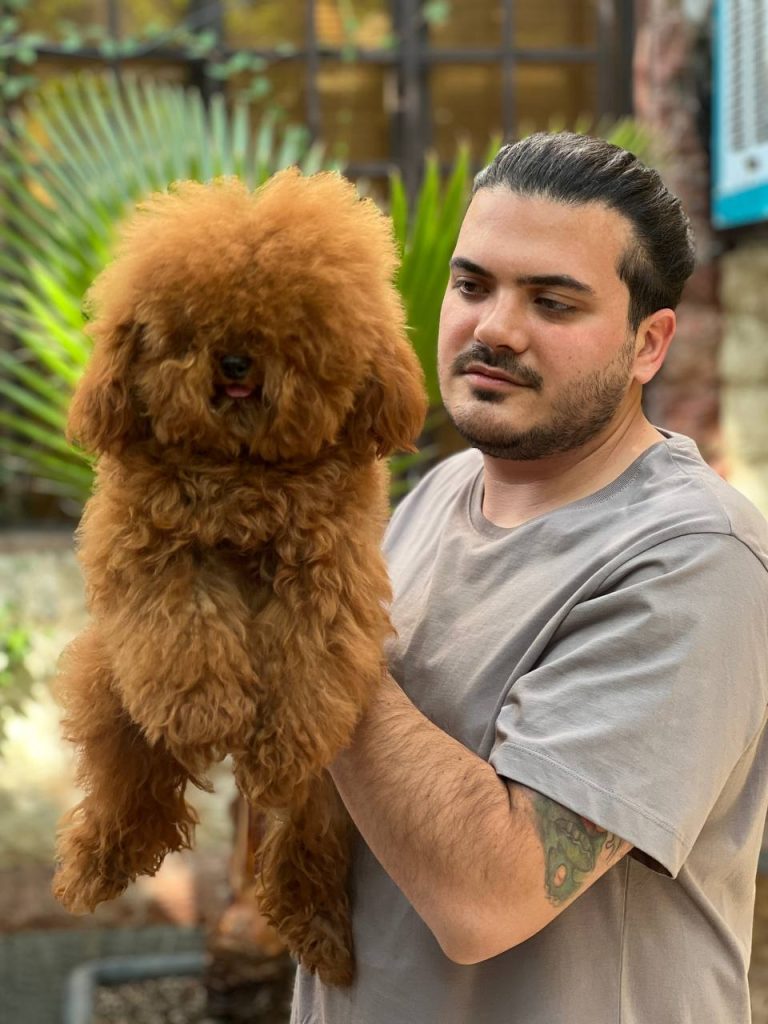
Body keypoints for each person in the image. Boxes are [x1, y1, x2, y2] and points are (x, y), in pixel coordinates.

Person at [291, 132, 768, 1024]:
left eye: (553, 302)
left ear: (647, 344)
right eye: (473, 285)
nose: (494, 328)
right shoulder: (437, 494)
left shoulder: (696, 557)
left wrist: (299, 617)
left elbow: (488, 897)